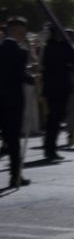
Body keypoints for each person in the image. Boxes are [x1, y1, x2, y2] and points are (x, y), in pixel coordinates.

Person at [0, 18, 32, 189]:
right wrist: (32, 78)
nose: (23, 36)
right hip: (12, 101)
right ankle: (15, 175)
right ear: (13, 32)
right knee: (13, 139)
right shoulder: (20, 52)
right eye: (22, 33)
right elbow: (19, 75)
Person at [40, 26, 74, 161]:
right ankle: (50, 148)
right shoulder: (62, 47)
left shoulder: (47, 47)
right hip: (60, 87)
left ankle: (49, 146)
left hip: (50, 88)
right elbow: (73, 60)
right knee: (56, 118)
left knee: (53, 118)